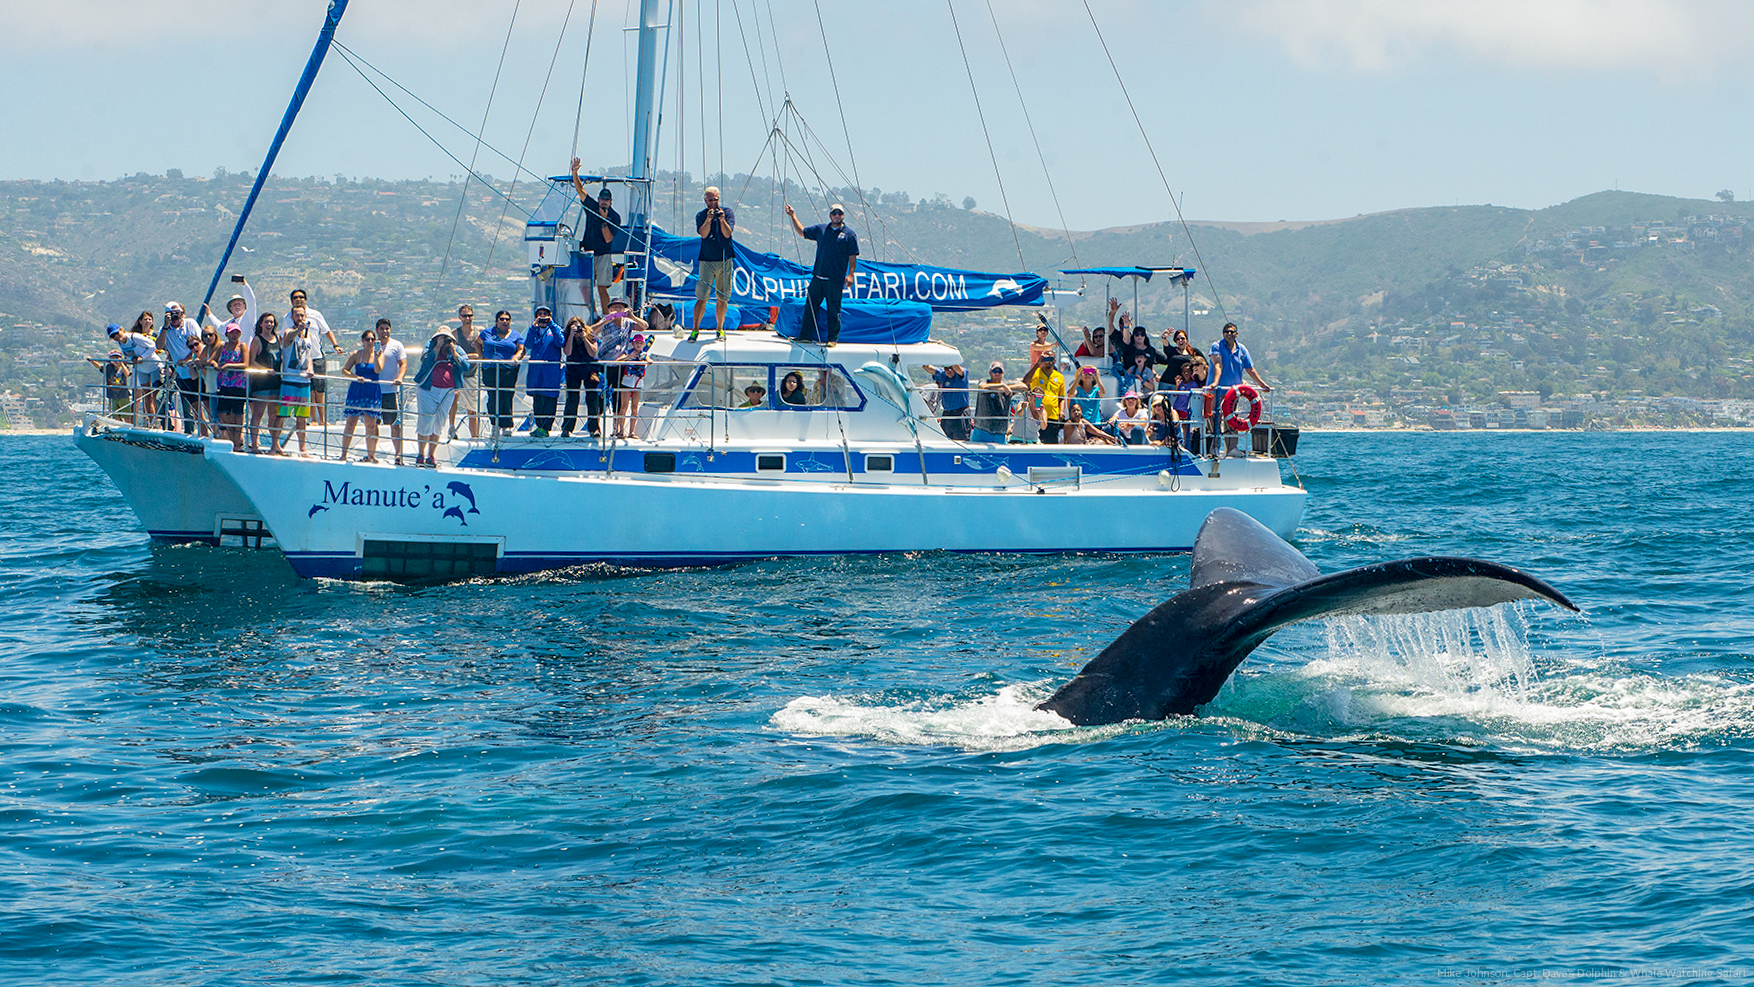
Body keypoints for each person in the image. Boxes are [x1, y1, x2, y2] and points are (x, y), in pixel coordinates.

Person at [783, 201, 858, 345]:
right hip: (818, 277)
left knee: (833, 309)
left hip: (835, 279)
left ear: (843, 215)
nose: (837, 216)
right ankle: (805, 336)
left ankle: (832, 339)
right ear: (830, 215)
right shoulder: (821, 229)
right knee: (810, 307)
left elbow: (853, 256)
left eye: (839, 213)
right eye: (834, 213)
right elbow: (802, 232)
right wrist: (793, 216)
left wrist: (850, 275)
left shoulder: (849, 234)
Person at [1206, 321, 1272, 456]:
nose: (1229, 334)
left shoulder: (1242, 349)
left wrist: (1262, 384)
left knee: (1231, 418)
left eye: (1231, 331)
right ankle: (1214, 448)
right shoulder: (1217, 346)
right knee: (1215, 419)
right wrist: (1215, 383)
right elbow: (1218, 364)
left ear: (1236, 333)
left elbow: (1250, 369)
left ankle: (1232, 448)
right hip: (1218, 390)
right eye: (1226, 331)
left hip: (1233, 392)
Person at [413, 326, 471, 467]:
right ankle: (421, 454)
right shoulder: (430, 346)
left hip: (447, 391)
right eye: (442, 337)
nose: (445, 341)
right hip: (428, 389)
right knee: (426, 420)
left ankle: (431, 455)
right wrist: (437, 346)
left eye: (447, 338)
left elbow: (466, 366)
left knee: (439, 422)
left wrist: (454, 353)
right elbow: (426, 361)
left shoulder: (456, 349)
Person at [570, 157, 620, 318]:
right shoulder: (592, 207)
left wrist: (604, 220)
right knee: (584, 286)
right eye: (602, 199)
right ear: (598, 200)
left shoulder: (614, 217)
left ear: (610, 202)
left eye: (607, 200)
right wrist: (575, 173)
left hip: (604, 255)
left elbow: (608, 239)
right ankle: (593, 313)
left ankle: (607, 316)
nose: (604, 202)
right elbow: (581, 191)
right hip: (588, 252)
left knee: (601, 287)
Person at [286, 288, 341, 427]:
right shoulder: (288, 317)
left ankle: (323, 419)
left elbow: (327, 331)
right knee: (308, 390)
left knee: (320, 389)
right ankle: (313, 420)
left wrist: (335, 345)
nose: (299, 299)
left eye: (302, 297)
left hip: (317, 356)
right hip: (300, 359)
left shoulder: (315, 314)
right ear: (291, 301)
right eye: (296, 297)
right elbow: (285, 336)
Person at [691, 186, 736, 341]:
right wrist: (709, 219)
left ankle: (720, 328)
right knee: (702, 296)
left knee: (722, 297)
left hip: (725, 259)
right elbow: (703, 234)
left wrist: (721, 219)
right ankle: (695, 329)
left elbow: (728, 233)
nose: (713, 203)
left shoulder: (727, 213)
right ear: (705, 201)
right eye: (710, 200)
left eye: (715, 200)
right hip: (707, 260)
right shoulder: (701, 215)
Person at [340, 331, 386, 463]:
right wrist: (355, 377)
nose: (370, 342)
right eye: (367, 339)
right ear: (363, 341)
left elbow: (378, 370)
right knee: (351, 422)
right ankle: (344, 453)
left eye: (372, 339)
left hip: (372, 391)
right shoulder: (356, 354)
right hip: (357, 390)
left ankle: (371, 455)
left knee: (371, 424)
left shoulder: (380, 355)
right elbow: (344, 370)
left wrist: (377, 357)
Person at [277, 315, 319, 455]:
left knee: (302, 417)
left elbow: (309, 355)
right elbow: (289, 336)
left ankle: (302, 448)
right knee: (282, 415)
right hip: (290, 381)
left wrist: (311, 369)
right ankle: (275, 445)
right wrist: (298, 329)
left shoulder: (308, 337)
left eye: (302, 315)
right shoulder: (289, 333)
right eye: (297, 315)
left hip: (304, 383)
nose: (300, 317)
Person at [522, 305, 565, 437]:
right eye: (539, 314)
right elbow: (528, 344)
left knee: (550, 398)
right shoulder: (533, 330)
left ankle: (546, 427)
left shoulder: (555, 329)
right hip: (536, 371)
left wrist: (551, 324)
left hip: (550, 371)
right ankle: (539, 425)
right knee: (538, 399)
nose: (542, 316)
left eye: (545, 314)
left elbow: (561, 342)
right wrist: (533, 328)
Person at [478, 310, 523, 436]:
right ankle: (495, 424)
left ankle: (506, 425)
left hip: (508, 369)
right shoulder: (487, 332)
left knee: (506, 396)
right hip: (490, 369)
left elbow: (521, 349)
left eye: (507, 319)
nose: (505, 321)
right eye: (502, 319)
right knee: (493, 396)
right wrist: (481, 356)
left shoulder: (515, 335)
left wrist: (515, 358)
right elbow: (477, 342)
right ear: (497, 321)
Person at [246, 312, 282, 454]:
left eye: (271, 322)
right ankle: (254, 444)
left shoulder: (277, 338)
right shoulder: (257, 340)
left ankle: (275, 445)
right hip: (261, 383)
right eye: (267, 322)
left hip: (276, 382)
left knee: (274, 414)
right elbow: (252, 361)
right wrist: (265, 370)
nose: (269, 325)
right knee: (258, 413)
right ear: (261, 324)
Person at [560, 315, 601, 438]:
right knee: (572, 398)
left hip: (590, 369)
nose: (577, 329)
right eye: (574, 327)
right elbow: (567, 352)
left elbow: (593, 352)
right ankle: (567, 427)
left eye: (579, 327)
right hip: (573, 369)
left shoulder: (590, 335)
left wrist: (584, 338)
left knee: (592, 398)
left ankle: (594, 428)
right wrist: (572, 335)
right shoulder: (567, 336)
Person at [374, 318, 408, 463]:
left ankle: (398, 454)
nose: (384, 331)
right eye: (382, 328)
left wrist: (400, 378)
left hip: (391, 391)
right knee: (373, 424)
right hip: (374, 391)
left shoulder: (396, 345)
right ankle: (372, 454)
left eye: (387, 328)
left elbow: (403, 364)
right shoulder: (372, 344)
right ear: (377, 330)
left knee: (395, 424)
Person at [213, 324, 250, 451]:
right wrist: (215, 364)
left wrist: (229, 365)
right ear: (227, 334)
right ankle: (233, 437)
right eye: (231, 333)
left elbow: (245, 364)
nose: (234, 335)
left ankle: (236, 442)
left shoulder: (242, 346)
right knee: (222, 412)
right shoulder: (222, 346)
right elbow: (213, 359)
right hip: (224, 384)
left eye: (236, 332)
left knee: (238, 413)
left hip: (239, 384)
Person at [450, 304, 482, 439]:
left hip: (472, 373)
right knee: (453, 399)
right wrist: (471, 356)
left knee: (472, 406)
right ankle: (451, 428)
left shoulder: (479, 332)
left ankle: (474, 436)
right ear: (459, 317)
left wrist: (464, 357)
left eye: (469, 315)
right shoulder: (454, 334)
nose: (467, 318)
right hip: (457, 372)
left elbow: (481, 355)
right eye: (464, 316)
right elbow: (452, 353)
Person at [1021, 349, 1065, 444]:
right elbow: (1025, 381)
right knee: (1036, 442)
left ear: (1054, 360)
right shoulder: (1036, 373)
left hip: (1052, 415)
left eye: (1051, 358)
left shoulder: (1059, 377)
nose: (1048, 361)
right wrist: (1037, 364)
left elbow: (1061, 397)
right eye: (1046, 358)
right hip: (1036, 414)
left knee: (1051, 444)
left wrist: (1061, 410)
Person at [971, 362, 1019, 443]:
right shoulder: (984, 381)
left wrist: (1006, 388)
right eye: (994, 371)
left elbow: (1024, 386)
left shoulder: (1007, 386)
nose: (997, 374)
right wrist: (1001, 386)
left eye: (999, 372)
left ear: (1003, 373)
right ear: (990, 373)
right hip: (982, 429)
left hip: (999, 431)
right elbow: (981, 387)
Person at [924, 362, 971, 440]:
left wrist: (950, 358)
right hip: (947, 414)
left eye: (951, 368)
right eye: (946, 368)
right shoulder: (943, 374)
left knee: (961, 440)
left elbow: (957, 368)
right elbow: (927, 368)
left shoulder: (962, 374)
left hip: (960, 413)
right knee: (944, 439)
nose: (949, 371)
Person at [616, 334, 648, 439]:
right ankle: (621, 431)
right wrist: (629, 357)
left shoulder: (644, 354)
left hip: (638, 383)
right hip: (627, 382)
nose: (638, 345)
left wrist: (645, 361)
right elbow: (618, 361)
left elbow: (650, 360)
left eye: (641, 343)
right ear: (633, 343)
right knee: (623, 406)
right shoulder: (628, 352)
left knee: (634, 407)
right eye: (637, 342)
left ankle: (631, 432)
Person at [87, 346, 131, 418]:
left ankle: (127, 426)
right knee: (116, 415)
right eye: (113, 358)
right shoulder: (109, 367)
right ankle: (118, 426)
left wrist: (122, 364)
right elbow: (99, 366)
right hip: (113, 395)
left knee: (126, 415)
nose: (116, 360)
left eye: (117, 358)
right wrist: (91, 361)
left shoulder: (124, 367)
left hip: (123, 395)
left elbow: (127, 374)